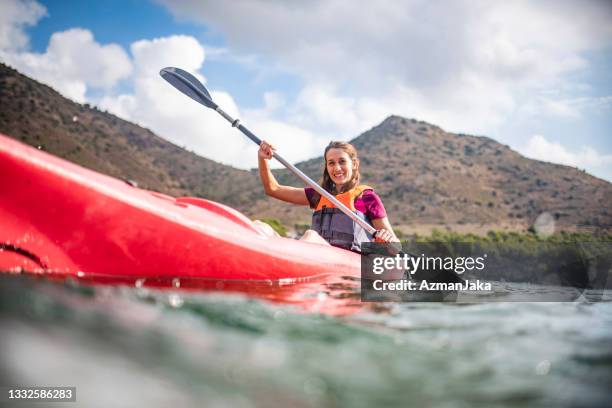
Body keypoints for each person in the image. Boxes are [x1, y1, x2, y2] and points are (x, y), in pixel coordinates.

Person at [255, 140, 399, 252]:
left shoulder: (367, 198)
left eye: (342, 161)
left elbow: (396, 247)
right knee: (260, 226)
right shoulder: (318, 194)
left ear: (354, 164)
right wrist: (263, 159)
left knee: (311, 236)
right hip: (316, 253)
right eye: (331, 163)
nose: (337, 168)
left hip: (350, 259)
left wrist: (387, 240)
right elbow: (273, 189)